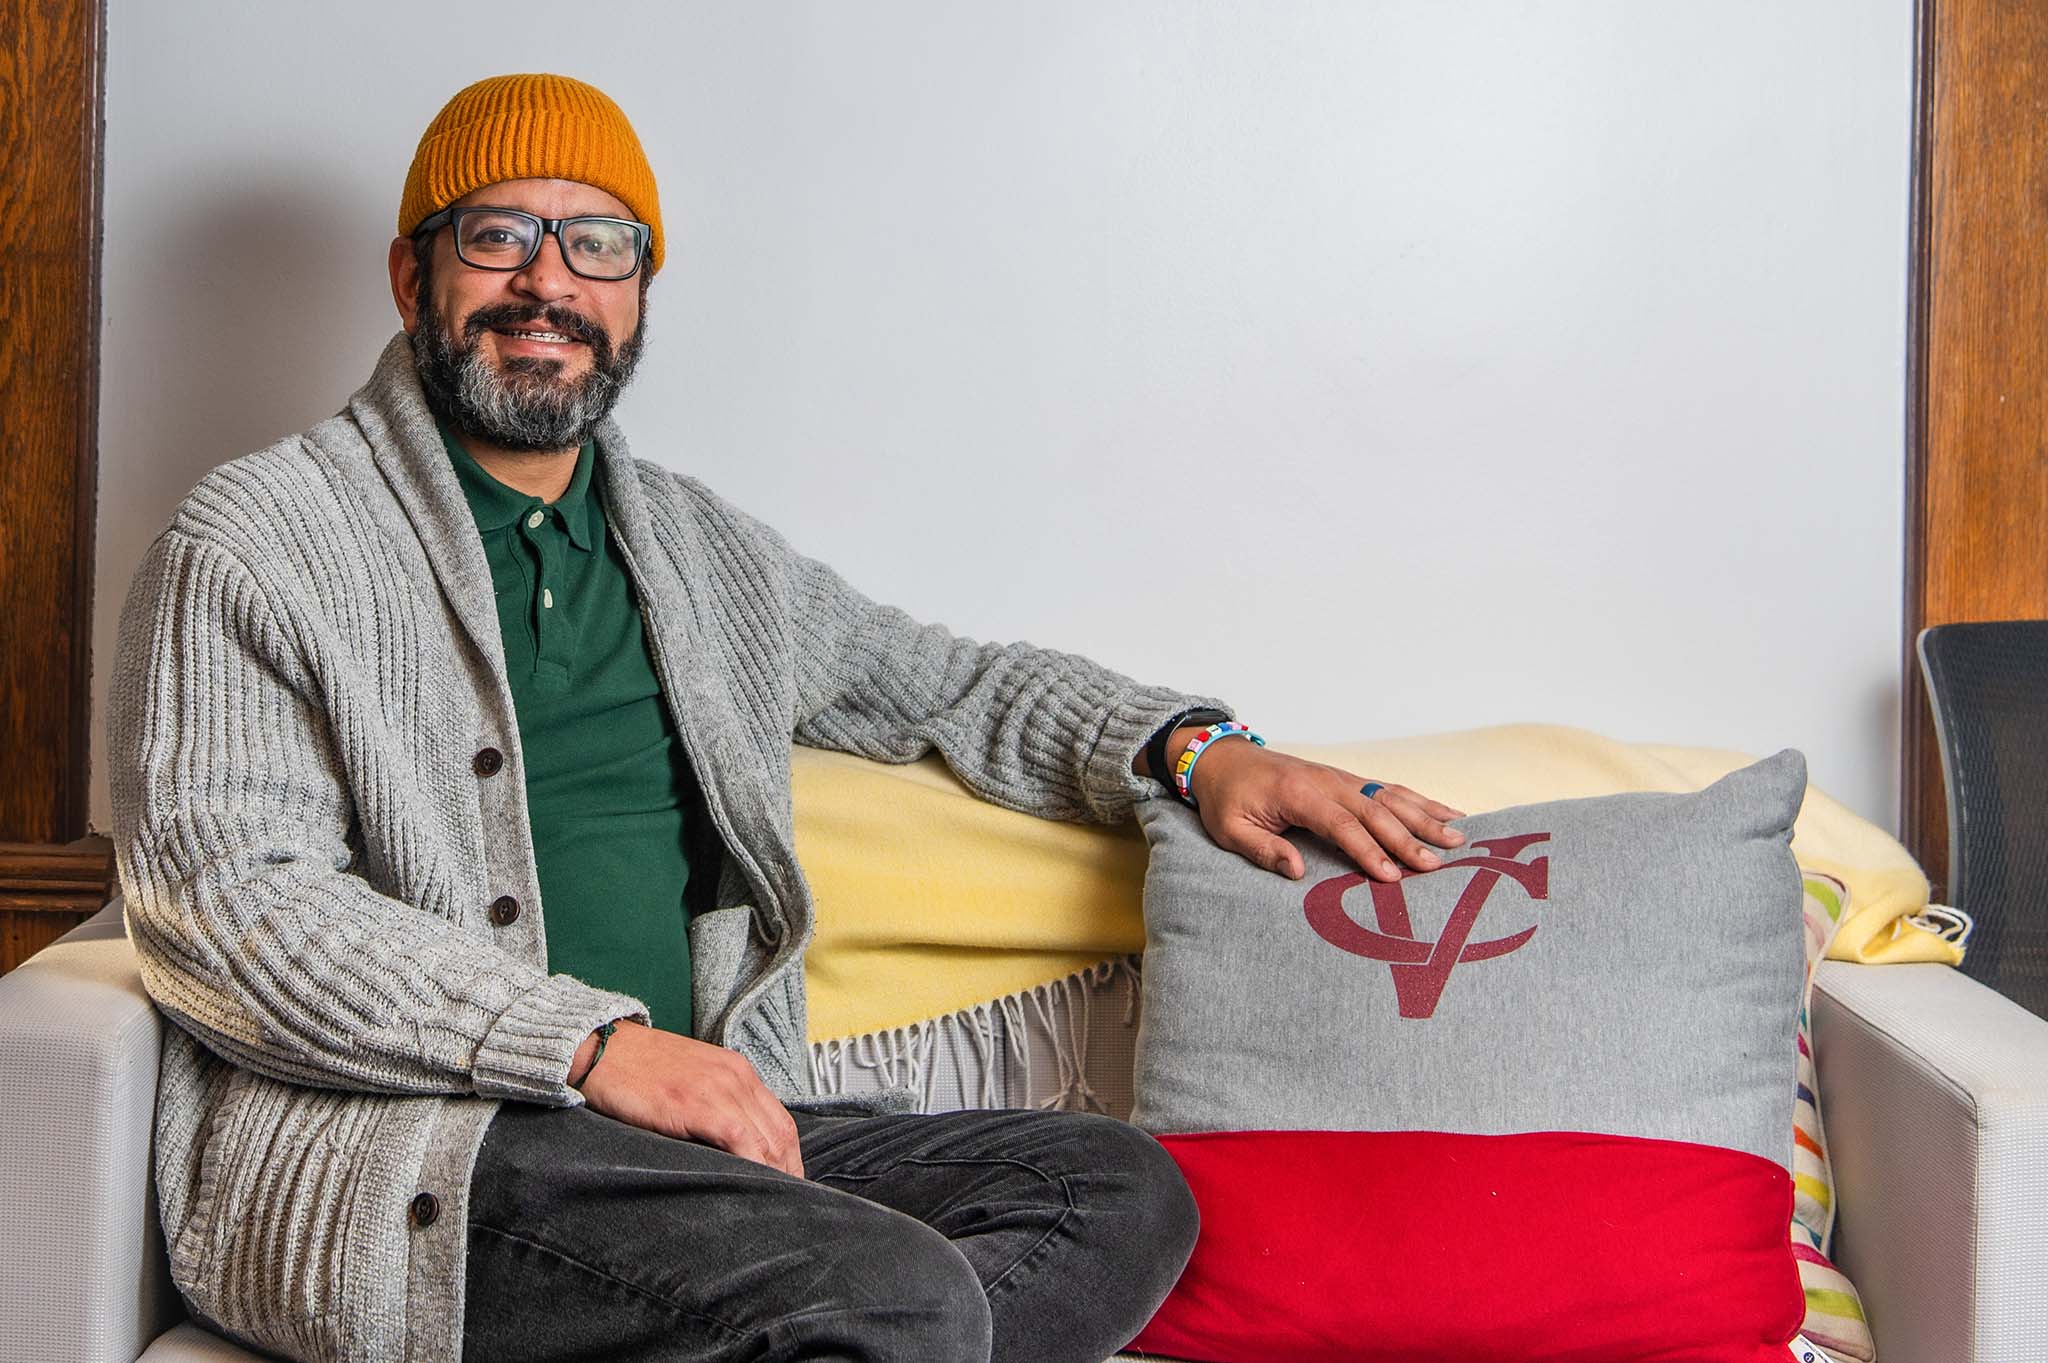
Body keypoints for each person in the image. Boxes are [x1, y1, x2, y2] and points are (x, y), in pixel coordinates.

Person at [108, 73, 1466, 1363]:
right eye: (500, 236)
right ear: (414, 274)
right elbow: (233, 903)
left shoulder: (704, 559)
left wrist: (1198, 750)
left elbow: (949, 685)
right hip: (420, 1162)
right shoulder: (259, 542)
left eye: (598, 246)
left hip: (700, 1152)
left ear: (639, 295)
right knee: (895, 1297)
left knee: (1114, 1192)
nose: (548, 284)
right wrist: (591, 1046)